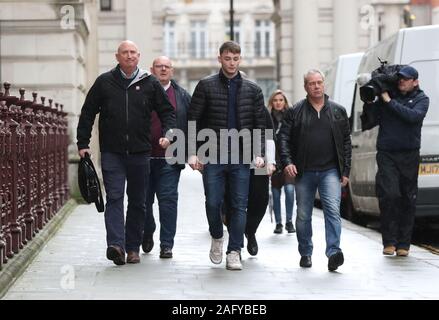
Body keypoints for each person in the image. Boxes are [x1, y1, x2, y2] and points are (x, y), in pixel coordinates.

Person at [76, 41, 176, 266]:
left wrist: (168, 135)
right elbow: (88, 112)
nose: (129, 56)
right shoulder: (105, 82)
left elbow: (167, 112)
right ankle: (116, 246)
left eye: (133, 52)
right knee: (115, 197)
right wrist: (83, 142)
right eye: (125, 53)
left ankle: (133, 247)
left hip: (141, 153)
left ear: (139, 56)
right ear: (117, 57)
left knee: (138, 202)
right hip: (112, 152)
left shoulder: (149, 83)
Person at [188, 41, 266, 270]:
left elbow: (260, 126)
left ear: (240, 59)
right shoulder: (205, 86)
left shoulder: (253, 90)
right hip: (212, 155)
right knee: (213, 202)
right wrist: (193, 152)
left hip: (241, 157)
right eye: (227, 58)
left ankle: (234, 250)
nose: (231, 63)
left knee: (240, 205)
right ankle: (217, 236)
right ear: (220, 58)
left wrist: (259, 154)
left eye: (235, 59)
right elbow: (192, 120)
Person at [278, 69, 351, 271]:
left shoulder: (338, 111)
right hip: (304, 171)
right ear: (305, 87)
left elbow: (346, 142)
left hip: (330, 171)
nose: (317, 86)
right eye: (312, 83)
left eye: (319, 82)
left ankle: (334, 252)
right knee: (303, 215)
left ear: (324, 84)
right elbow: (283, 138)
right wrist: (288, 162)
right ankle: (305, 252)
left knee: (333, 211)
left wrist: (346, 171)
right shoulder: (295, 111)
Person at [361, 65, 429, 257]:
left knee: (408, 198)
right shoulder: (388, 95)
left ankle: (403, 244)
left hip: (409, 154)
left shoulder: (422, 99)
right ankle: (389, 241)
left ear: (415, 81)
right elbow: (369, 122)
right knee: (389, 195)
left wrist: (389, 102)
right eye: (399, 78)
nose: (401, 81)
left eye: (405, 79)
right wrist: (369, 101)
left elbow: (412, 117)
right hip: (387, 153)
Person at [141, 56, 191, 259]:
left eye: (167, 67)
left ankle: (166, 244)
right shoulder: (141, 91)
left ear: (172, 71)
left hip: (170, 159)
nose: (163, 69)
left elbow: (190, 124)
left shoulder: (182, 96)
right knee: (143, 202)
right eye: (159, 66)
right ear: (152, 70)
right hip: (143, 158)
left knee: (168, 201)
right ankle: (148, 229)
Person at [222, 106, 276, 256]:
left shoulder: (260, 109)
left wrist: (271, 161)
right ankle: (236, 240)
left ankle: (250, 231)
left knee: (260, 201)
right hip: (233, 161)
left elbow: (269, 137)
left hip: (258, 162)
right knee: (233, 202)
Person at [268, 90, 296, 234]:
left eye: (281, 100)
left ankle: (289, 221)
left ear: (285, 102)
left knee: (290, 190)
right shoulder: (267, 118)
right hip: (273, 160)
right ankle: (278, 223)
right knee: (275, 193)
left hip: (288, 160)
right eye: (275, 100)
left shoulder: (291, 116)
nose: (278, 102)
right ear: (271, 102)